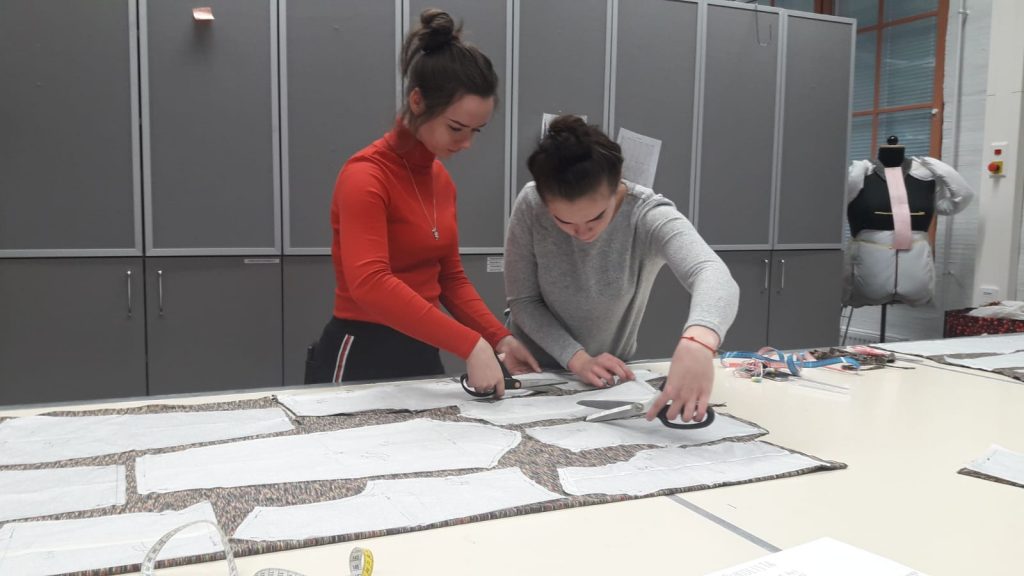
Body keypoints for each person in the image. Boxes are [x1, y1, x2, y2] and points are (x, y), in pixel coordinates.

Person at [306, 9, 538, 394]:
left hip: (422, 347)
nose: (466, 143)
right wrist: (470, 343)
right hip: (361, 349)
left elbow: (450, 278)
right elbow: (370, 283)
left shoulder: (440, 180)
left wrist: (499, 338)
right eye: (456, 127)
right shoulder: (365, 175)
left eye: (476, 131)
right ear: (417, 101)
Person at [505, 115, 739, 422]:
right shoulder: (531, 204)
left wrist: (698, 341)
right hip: (531, 372)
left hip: (608, 379)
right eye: (564, 221)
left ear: (617, 188)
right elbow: (524, 301)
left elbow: (711, 272)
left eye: (596, 217)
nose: (582, 233)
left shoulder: (646, 214)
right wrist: (577, 359)